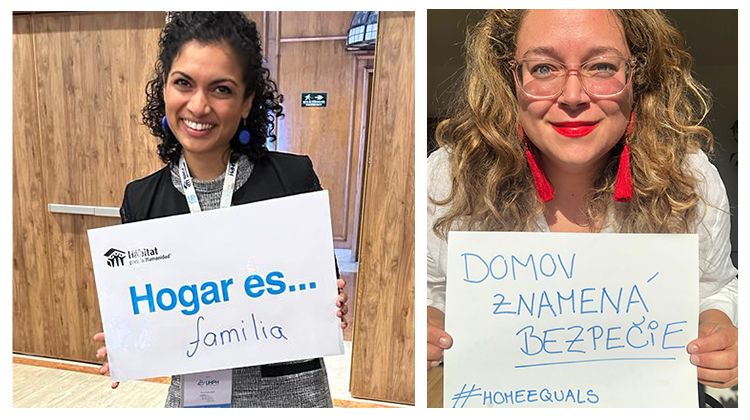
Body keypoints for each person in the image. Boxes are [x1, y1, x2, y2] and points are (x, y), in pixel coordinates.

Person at [426, 9, 738, 394]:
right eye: (543, 69)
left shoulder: (689, 176)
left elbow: (714, 287)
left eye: (602, 66)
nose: (573, 96)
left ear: (636, 74)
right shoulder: (449, 177)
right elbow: (428, 287)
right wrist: (424, 323)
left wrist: (719, 326)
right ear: (510, 76)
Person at [92, 12, 348, 408]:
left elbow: (321, 291)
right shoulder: (141, 200)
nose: (198, 105)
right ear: (164, 89)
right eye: (183, 83)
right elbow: (151, 316)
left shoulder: (292, 179)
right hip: (196, 399)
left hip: (290, 397)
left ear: (247, 102)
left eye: (221, 89)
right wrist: (129, 340)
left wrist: (332, 300)